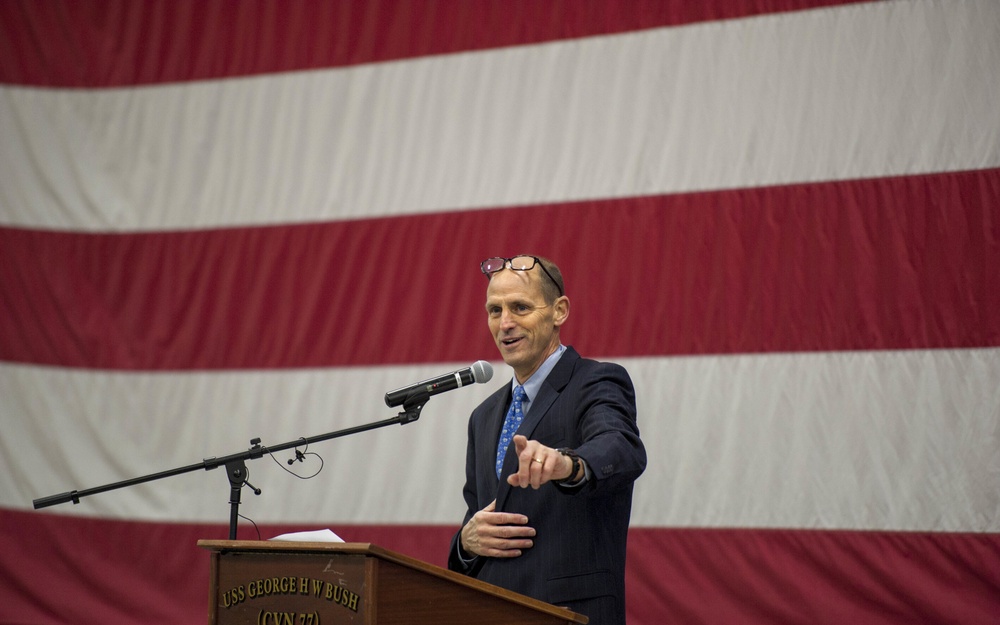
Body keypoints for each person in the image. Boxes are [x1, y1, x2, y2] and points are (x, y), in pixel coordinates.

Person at [448, 254, 647, 625]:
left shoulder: (597, 382)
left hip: (567, 612)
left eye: (520, 307)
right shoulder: (484, 416)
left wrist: (567, 465)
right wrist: (465, 544)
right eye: (495, 310)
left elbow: (620, 447)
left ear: (559, 311)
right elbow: (478, 518)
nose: (505, 323)